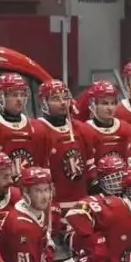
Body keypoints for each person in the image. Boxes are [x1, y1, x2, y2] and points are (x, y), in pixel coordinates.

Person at [34, 80, 90, 212]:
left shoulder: (82, 129)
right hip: (51, 207)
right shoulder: (37, 130)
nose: (62, 102)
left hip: (81, 205)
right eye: (55, 99)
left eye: (65, 98)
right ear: (44, 103)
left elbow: (89, 172)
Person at [77, 80, 131, 170]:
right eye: (104, 103)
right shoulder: (84, 131)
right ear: (93, 105)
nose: (110, 108)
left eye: (113, 103)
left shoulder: (127, 129)